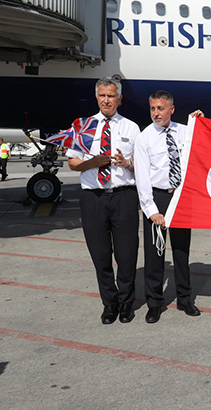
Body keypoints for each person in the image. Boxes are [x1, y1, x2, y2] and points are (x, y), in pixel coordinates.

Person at [67, 77, 141, 325]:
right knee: (100, 255)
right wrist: (93, 163)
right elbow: (73, 163)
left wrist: (127, 163)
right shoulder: (83, 126)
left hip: (124, 196)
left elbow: (142, 166)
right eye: (102, 95)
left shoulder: (132, 128)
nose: (106, 100)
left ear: (120, 98)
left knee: (127, 254)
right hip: (93, 198)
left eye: (111, 95)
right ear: (96, 97)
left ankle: (127, 303)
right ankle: (110, 304)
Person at [134, 91, 203, 323]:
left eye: (161, 109)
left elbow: (204, 144)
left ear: (171, 109)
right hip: (158, 198)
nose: (156, 113)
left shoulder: (185, 131)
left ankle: (185, 299)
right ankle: (154, 304)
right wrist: (151, 210)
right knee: (154, 254)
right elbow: (142, 177)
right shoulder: (145, 138)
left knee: (182, 253)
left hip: (181, 198)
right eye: (153, 108)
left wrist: (200, 122)